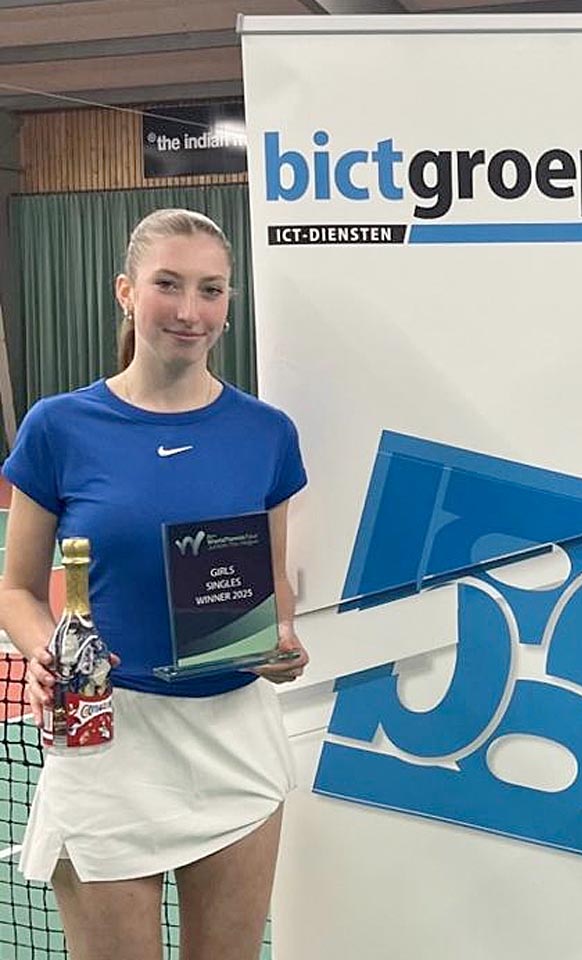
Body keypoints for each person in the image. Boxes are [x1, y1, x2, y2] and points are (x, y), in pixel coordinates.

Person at [0, 208, 309, 960]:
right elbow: (16, 591)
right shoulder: (57, 427)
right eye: (167, 284)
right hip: (106, 742)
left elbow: (271, 580)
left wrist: (281, 640)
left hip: (235, 743)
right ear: (126, 293)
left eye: (211, 290)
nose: (189, 311)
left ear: (228, 303)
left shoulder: (267, 433)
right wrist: (46, 651)